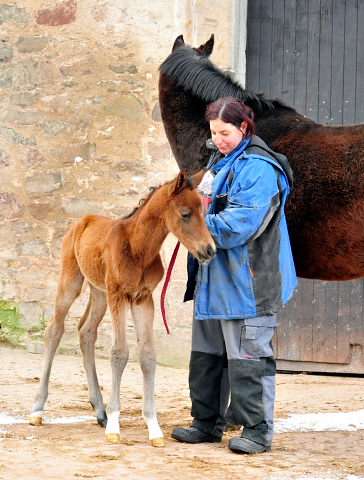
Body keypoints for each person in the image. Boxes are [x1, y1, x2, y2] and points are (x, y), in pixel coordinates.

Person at [171, 97, 297, 454]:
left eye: (225, 132)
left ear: (244, 127)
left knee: (248, 357)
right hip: (213, 281)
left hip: (249, 283)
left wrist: (189, 225)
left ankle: (257, 429)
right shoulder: (220, 162)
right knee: (206, 353)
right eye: (214, 133)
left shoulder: (259, 168)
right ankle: (206, 422)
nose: (219, 139)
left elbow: (241, 224)